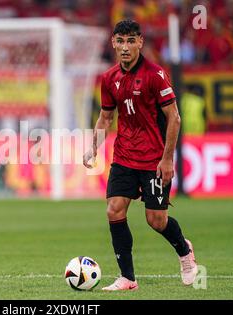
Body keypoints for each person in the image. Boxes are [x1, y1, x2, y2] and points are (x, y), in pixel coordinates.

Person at [83, 19, 198, 291]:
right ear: (113, 42)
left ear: (140, 43)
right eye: (120, 41)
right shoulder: (109, 78)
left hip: (154, 159)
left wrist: (167, 158)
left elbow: (175, 118)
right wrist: (93, 147)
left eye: (131, 41)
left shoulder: (155, 76)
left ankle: (184, 251)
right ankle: (127, 278)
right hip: (124, 155)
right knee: (113, 209)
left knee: (156, 220)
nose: (125, 47)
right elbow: (105, 117)